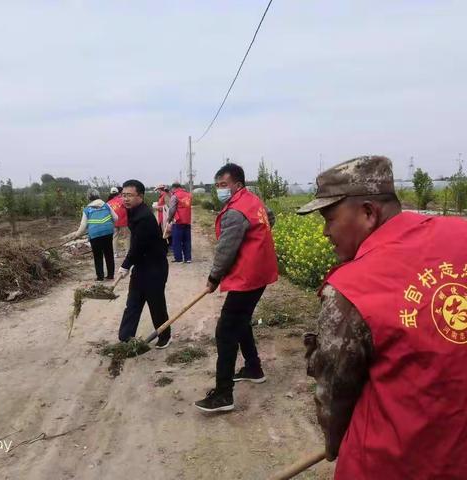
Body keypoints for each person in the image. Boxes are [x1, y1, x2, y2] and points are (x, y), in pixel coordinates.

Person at [298, 156, 467, 479]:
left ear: (368, 213)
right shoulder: (460, 233)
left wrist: (333, 442)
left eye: (329, 218)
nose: (324, 232)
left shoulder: (353, 289)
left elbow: (334, 394)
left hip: (393, 463)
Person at [194, 163, 278, 412]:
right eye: (217, 185)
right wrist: (256, 243)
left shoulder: (235, 211)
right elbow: (269, 218)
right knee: (241, 321)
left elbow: (225, 249)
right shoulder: (253, 200)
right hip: (260, 272)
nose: (220, 189)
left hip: (248, 276)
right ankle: (253, 368)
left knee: (226, 331)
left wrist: (213, 277)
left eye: (224, 185)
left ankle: (223, 394)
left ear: (237, 184)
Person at [117, 179, 171, 349]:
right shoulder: (134, 211)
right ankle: (125, 337)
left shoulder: (144, 217)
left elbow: (137, 246)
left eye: (129, 195)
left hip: (155, 268)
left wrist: (125, 265)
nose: (125, 199)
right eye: (123, 195)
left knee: (156, 304)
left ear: (140, 196)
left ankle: (164, 336)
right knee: (133, 301)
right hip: (142, 266)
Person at [66, 188, 118, 281]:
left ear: (89, 198)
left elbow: (83, 225)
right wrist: (108, 223)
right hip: (107, 232)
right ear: (98, 196)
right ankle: (110, 275)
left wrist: (77, 235)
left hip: (95, 234)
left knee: (98, 256)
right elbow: (116, 218)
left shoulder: (87, 209)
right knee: (109, 253)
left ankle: (100, 277)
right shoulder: (106, 205)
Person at [167, 183, 192, 263]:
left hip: (178, 221)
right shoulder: (188, 195)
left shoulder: (175, 196)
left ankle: (178, 259)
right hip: (187, 220)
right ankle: (188, 258)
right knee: (187, 240)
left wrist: (169, 219)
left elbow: (172, 209)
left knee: (177, 241)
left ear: (174, 188)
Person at [107, 186, 130, 257]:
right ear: (118, 193)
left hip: (113, 222)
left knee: (114, 237)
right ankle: (127, 252)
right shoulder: (122, 200)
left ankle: (115, 253)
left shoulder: (108, 202)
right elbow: (128, 208)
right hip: (123, 221)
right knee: (126, 236)